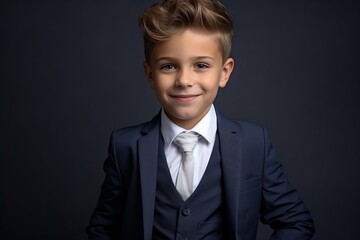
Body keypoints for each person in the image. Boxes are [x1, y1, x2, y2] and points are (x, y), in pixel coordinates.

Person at [86, 0, 315, 239]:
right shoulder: (125, 146)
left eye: (201, 65)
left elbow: (296, 222)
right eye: (168, 66)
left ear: (224, 72)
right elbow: (102, 230)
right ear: (150, 74)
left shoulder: (253, 143)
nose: (184, 80)